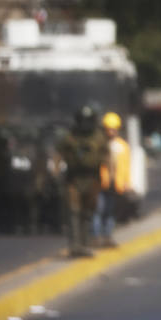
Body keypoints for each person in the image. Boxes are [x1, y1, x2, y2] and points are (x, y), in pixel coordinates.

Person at [56, 105, 107, 257]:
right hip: (74, 179)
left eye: (88, 120)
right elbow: (58, 154)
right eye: (82, 120)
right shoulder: (70, 136)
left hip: (92, 179)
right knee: (73, 212)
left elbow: (107, 156)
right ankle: (75, 246)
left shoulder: (99, 137)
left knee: (87, 212)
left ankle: (84, 244)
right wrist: (56, 172)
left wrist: (109, 175)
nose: (85, 124)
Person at [94, 111, 131, 247]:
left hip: (115, 184)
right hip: (100, 182)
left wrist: (126, 182)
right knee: (98, 210)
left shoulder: (123, 146)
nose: (111, 132)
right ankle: (96, 237)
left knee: (110, 212)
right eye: (109, 129)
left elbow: (126, 165)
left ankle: (107, 236)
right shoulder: (99, 144)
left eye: (113, 129)